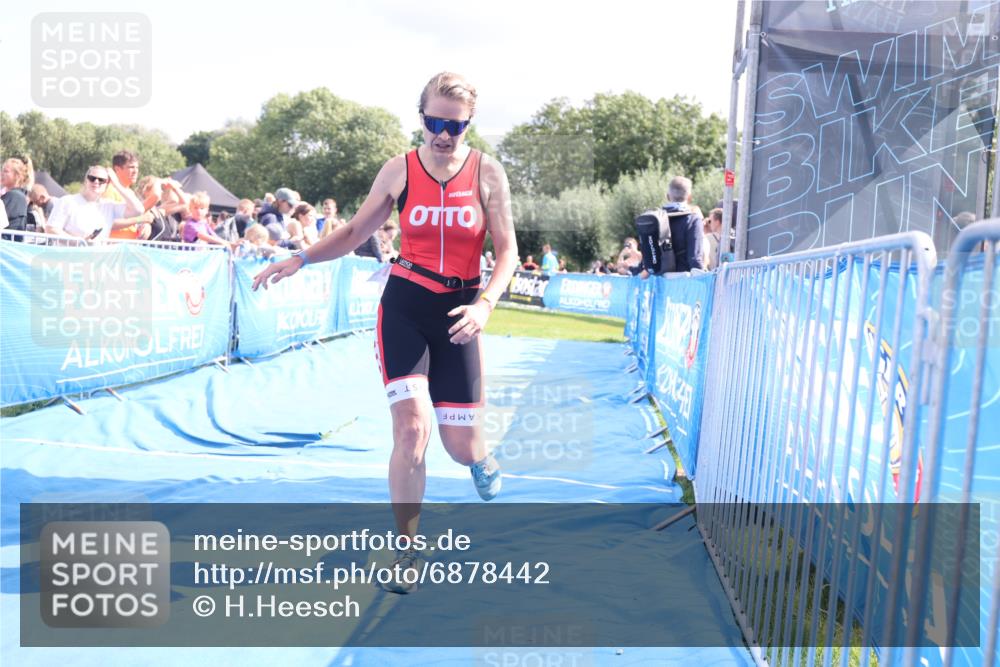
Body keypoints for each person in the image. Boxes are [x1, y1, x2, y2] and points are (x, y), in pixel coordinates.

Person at [252, 72, 518, 592]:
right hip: (405, 306)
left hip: (461, 312)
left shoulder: (488, 172)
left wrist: (486, 305)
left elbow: (506, 251)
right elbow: (355, 231)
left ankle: (480, 458)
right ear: (421, 117)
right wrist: (301, 258)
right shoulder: (399, 170)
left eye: (456, 126)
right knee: (412, 429)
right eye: (435, 122)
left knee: (460, 446)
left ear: (469, 124)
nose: (444, 135)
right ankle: (407, 550)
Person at [45, 166, 145, 240]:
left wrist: (117, 184)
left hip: (97, 259)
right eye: (92, 178)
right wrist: (80, 242)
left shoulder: (109, 206)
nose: (96, 182)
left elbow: (138, 210)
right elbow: (51, 229)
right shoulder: (67, 201)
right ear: (86, 181)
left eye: (101, 180)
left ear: (107, 184)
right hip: (69, 259)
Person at [660, 176, 705, 272]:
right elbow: (695, 258)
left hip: (658, 277)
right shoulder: (693, 219)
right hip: (683, 277)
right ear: (689, 197)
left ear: (667, 196)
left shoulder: (657, 218)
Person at [1, 157, 33, 234]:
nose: (1, 174)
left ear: (17, 176)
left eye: (6, 171)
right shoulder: (18, 195)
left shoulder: (15, 196)